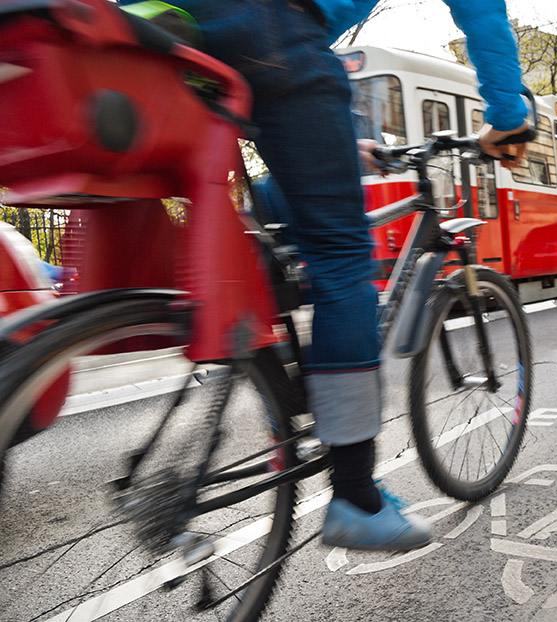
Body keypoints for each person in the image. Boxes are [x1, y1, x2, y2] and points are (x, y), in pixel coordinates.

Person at [121, 0, 531, 551]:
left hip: (163, 30)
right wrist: (508, 119)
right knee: (341, 254)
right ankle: (357, 498)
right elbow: (481, 15)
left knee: (273, 216)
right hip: (268, 29)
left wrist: (344, 140)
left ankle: (261, 361)